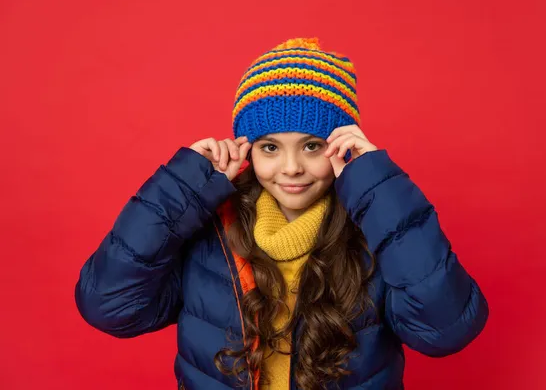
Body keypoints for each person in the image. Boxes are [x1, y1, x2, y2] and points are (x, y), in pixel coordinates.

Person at [75, 37, 489, 390]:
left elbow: (446, 330)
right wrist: (180, 186)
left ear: (342, 145)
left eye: (311, 146)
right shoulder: (208, 229)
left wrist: (378, 184)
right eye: (270, 147)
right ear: (247, 149)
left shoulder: (373, 229)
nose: (291, 167)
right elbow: (109, 307)